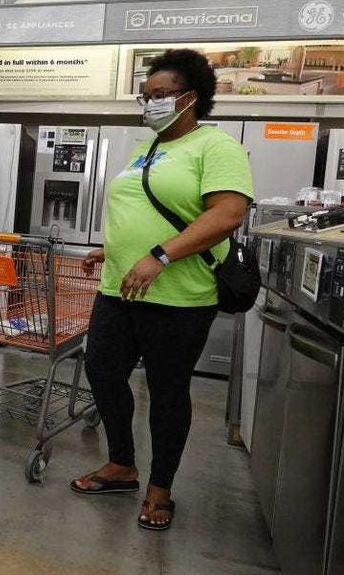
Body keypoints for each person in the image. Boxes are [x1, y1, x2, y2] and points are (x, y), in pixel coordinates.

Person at [70, 49, 253, 531]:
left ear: (190, 98)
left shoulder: (215, 147)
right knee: (103, 372)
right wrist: (113, 252)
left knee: (167, 390)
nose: (149, 103)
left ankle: (160, 489)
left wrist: (161, 256)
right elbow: (142, 212)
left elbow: (226, 215)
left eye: (160, 95)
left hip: (180, 297)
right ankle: (123, 464)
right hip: (119, 288)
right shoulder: (144, 149)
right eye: (145, 95)